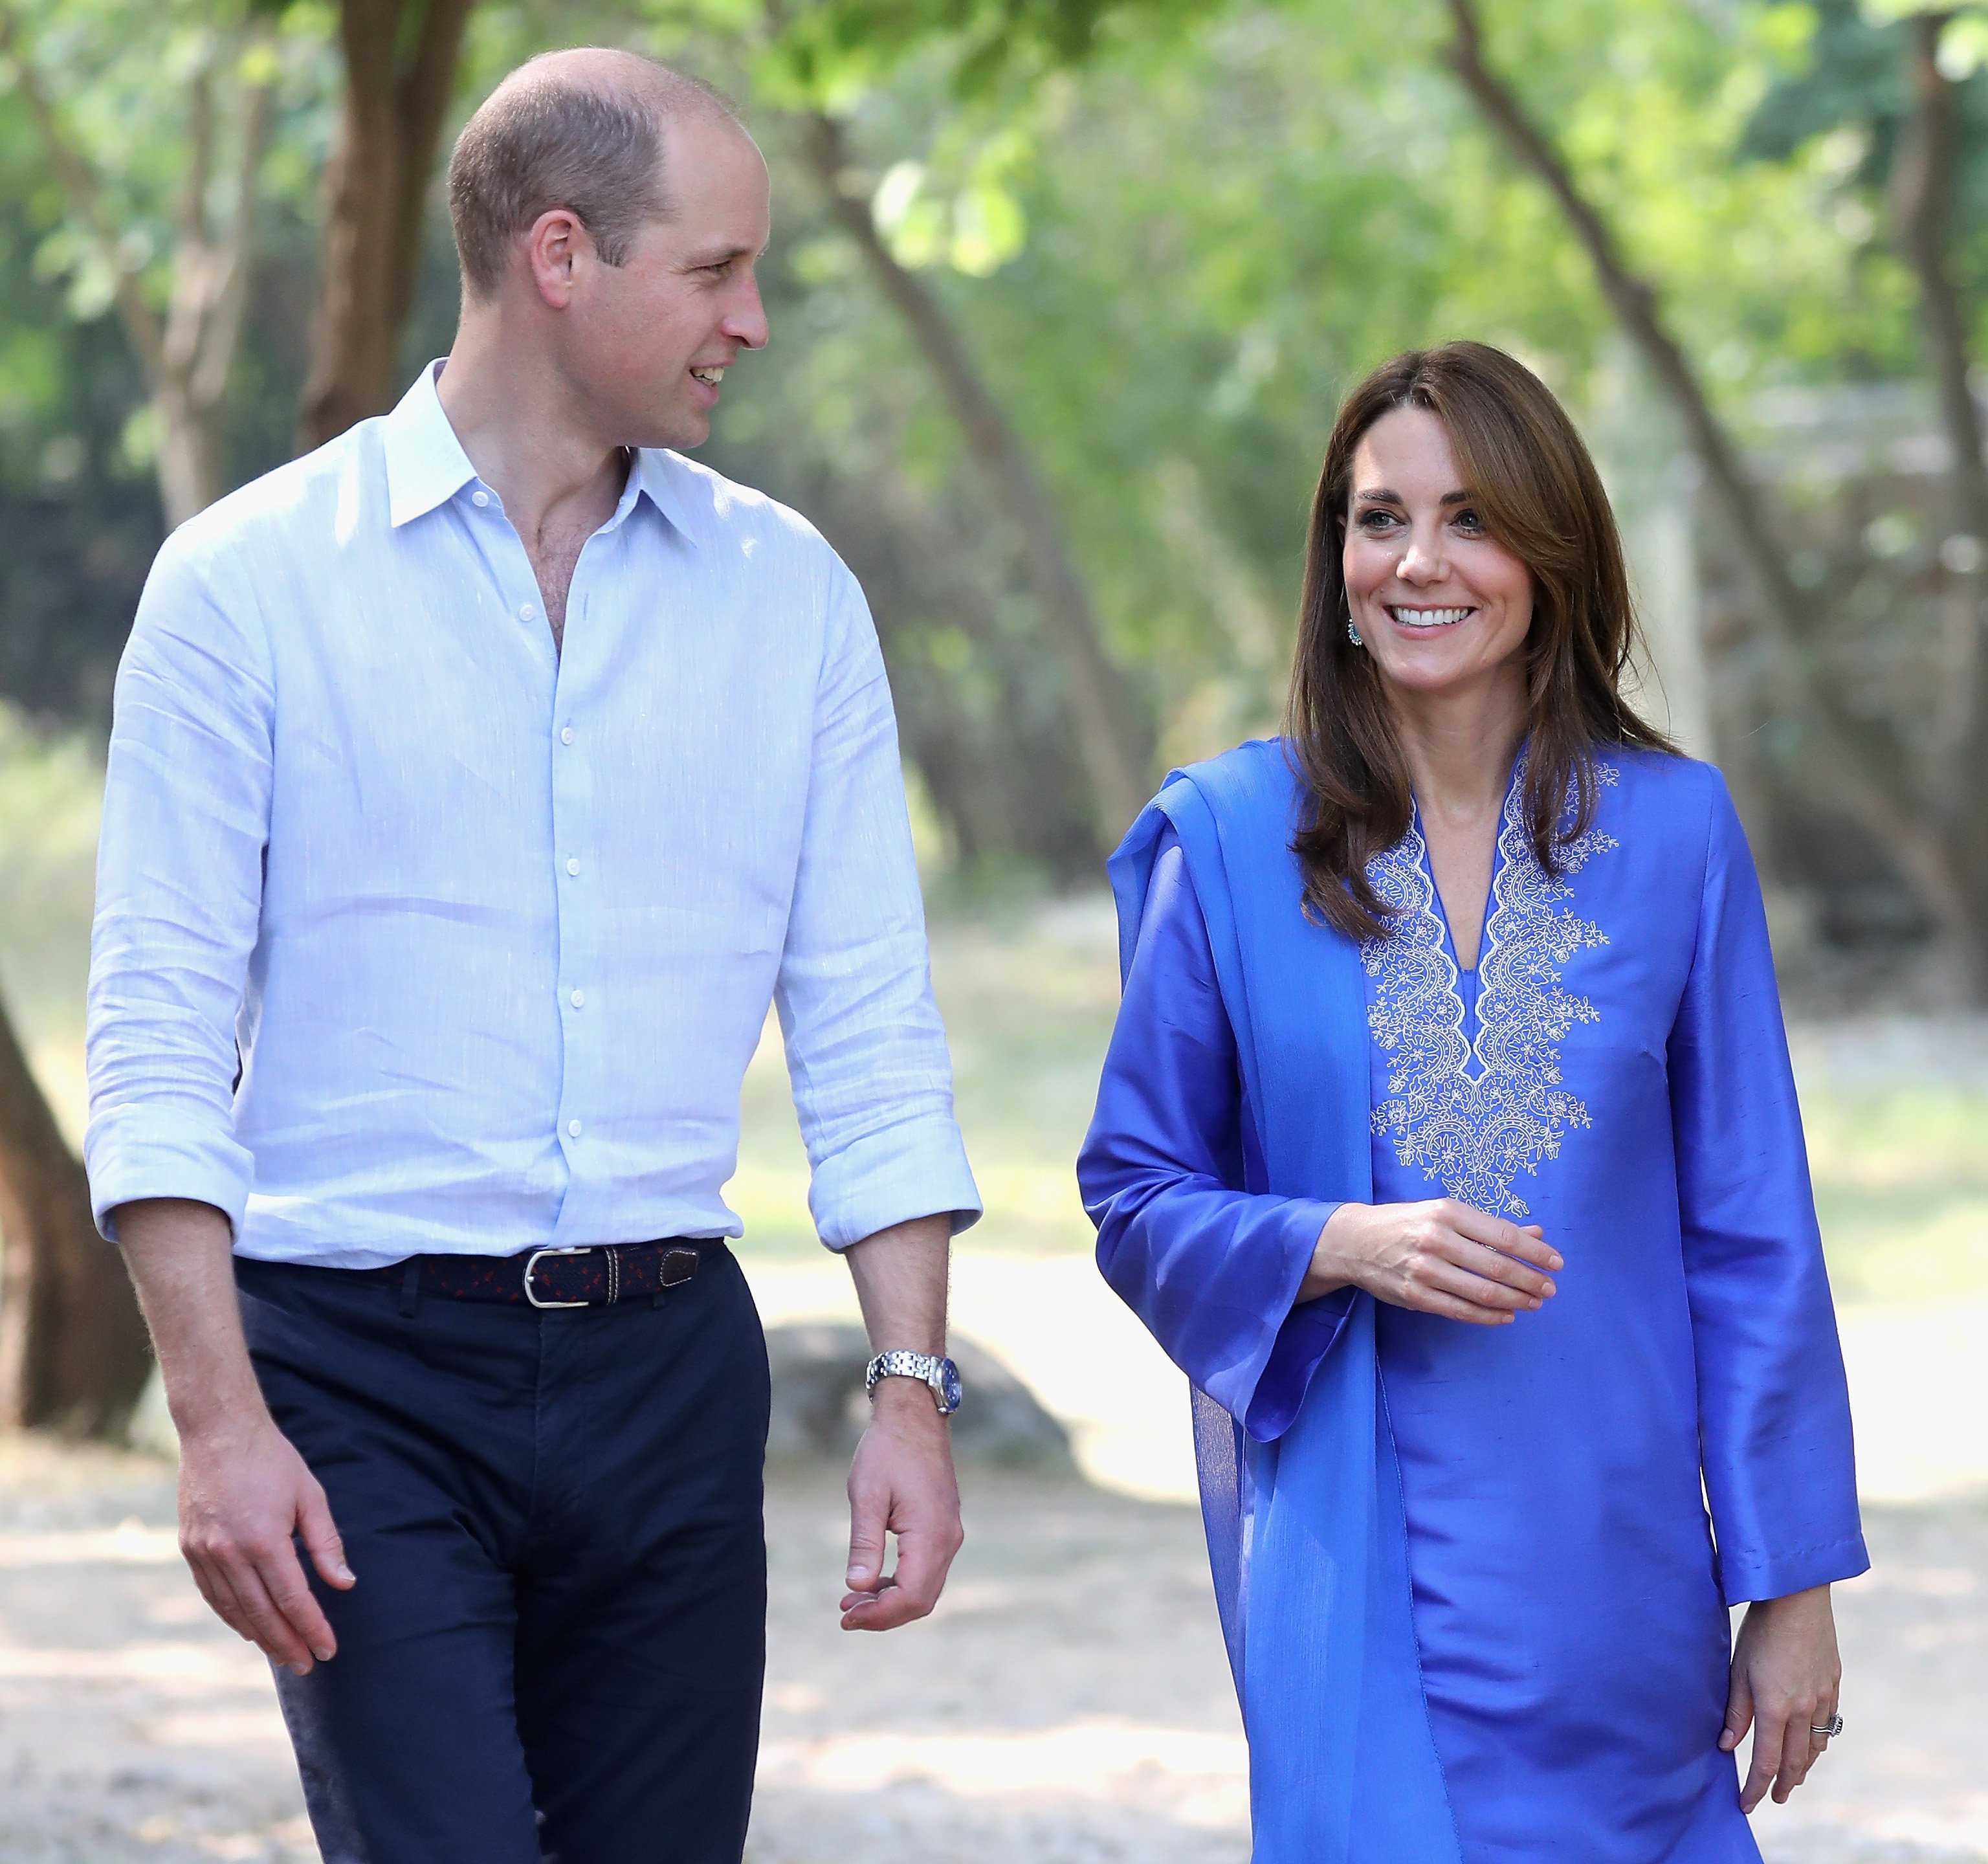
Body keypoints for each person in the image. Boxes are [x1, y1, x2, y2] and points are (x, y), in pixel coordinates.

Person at [85, 50, 980, 1864]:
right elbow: (158, 1040)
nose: (753, 317)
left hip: (669, 1375)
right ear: (560, 255)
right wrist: (216, 1421)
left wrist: (911, 1387)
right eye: (717, 270)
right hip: (358, 1378)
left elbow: (871, 1020)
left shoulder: (791, 597)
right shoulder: (245, 585)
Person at [1077, 340, 1866, 1862]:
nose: (1419, 563)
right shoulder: (1234, 839)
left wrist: (1792, 1585)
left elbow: (1752, 1231)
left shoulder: (1676, 833)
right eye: (1379, 520)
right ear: (1337, 556)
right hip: (1361, 1564)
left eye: (1471, 520)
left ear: (1551, 556)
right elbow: (1136, 1192)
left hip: (1619, 1576)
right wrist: (1339, 1244)